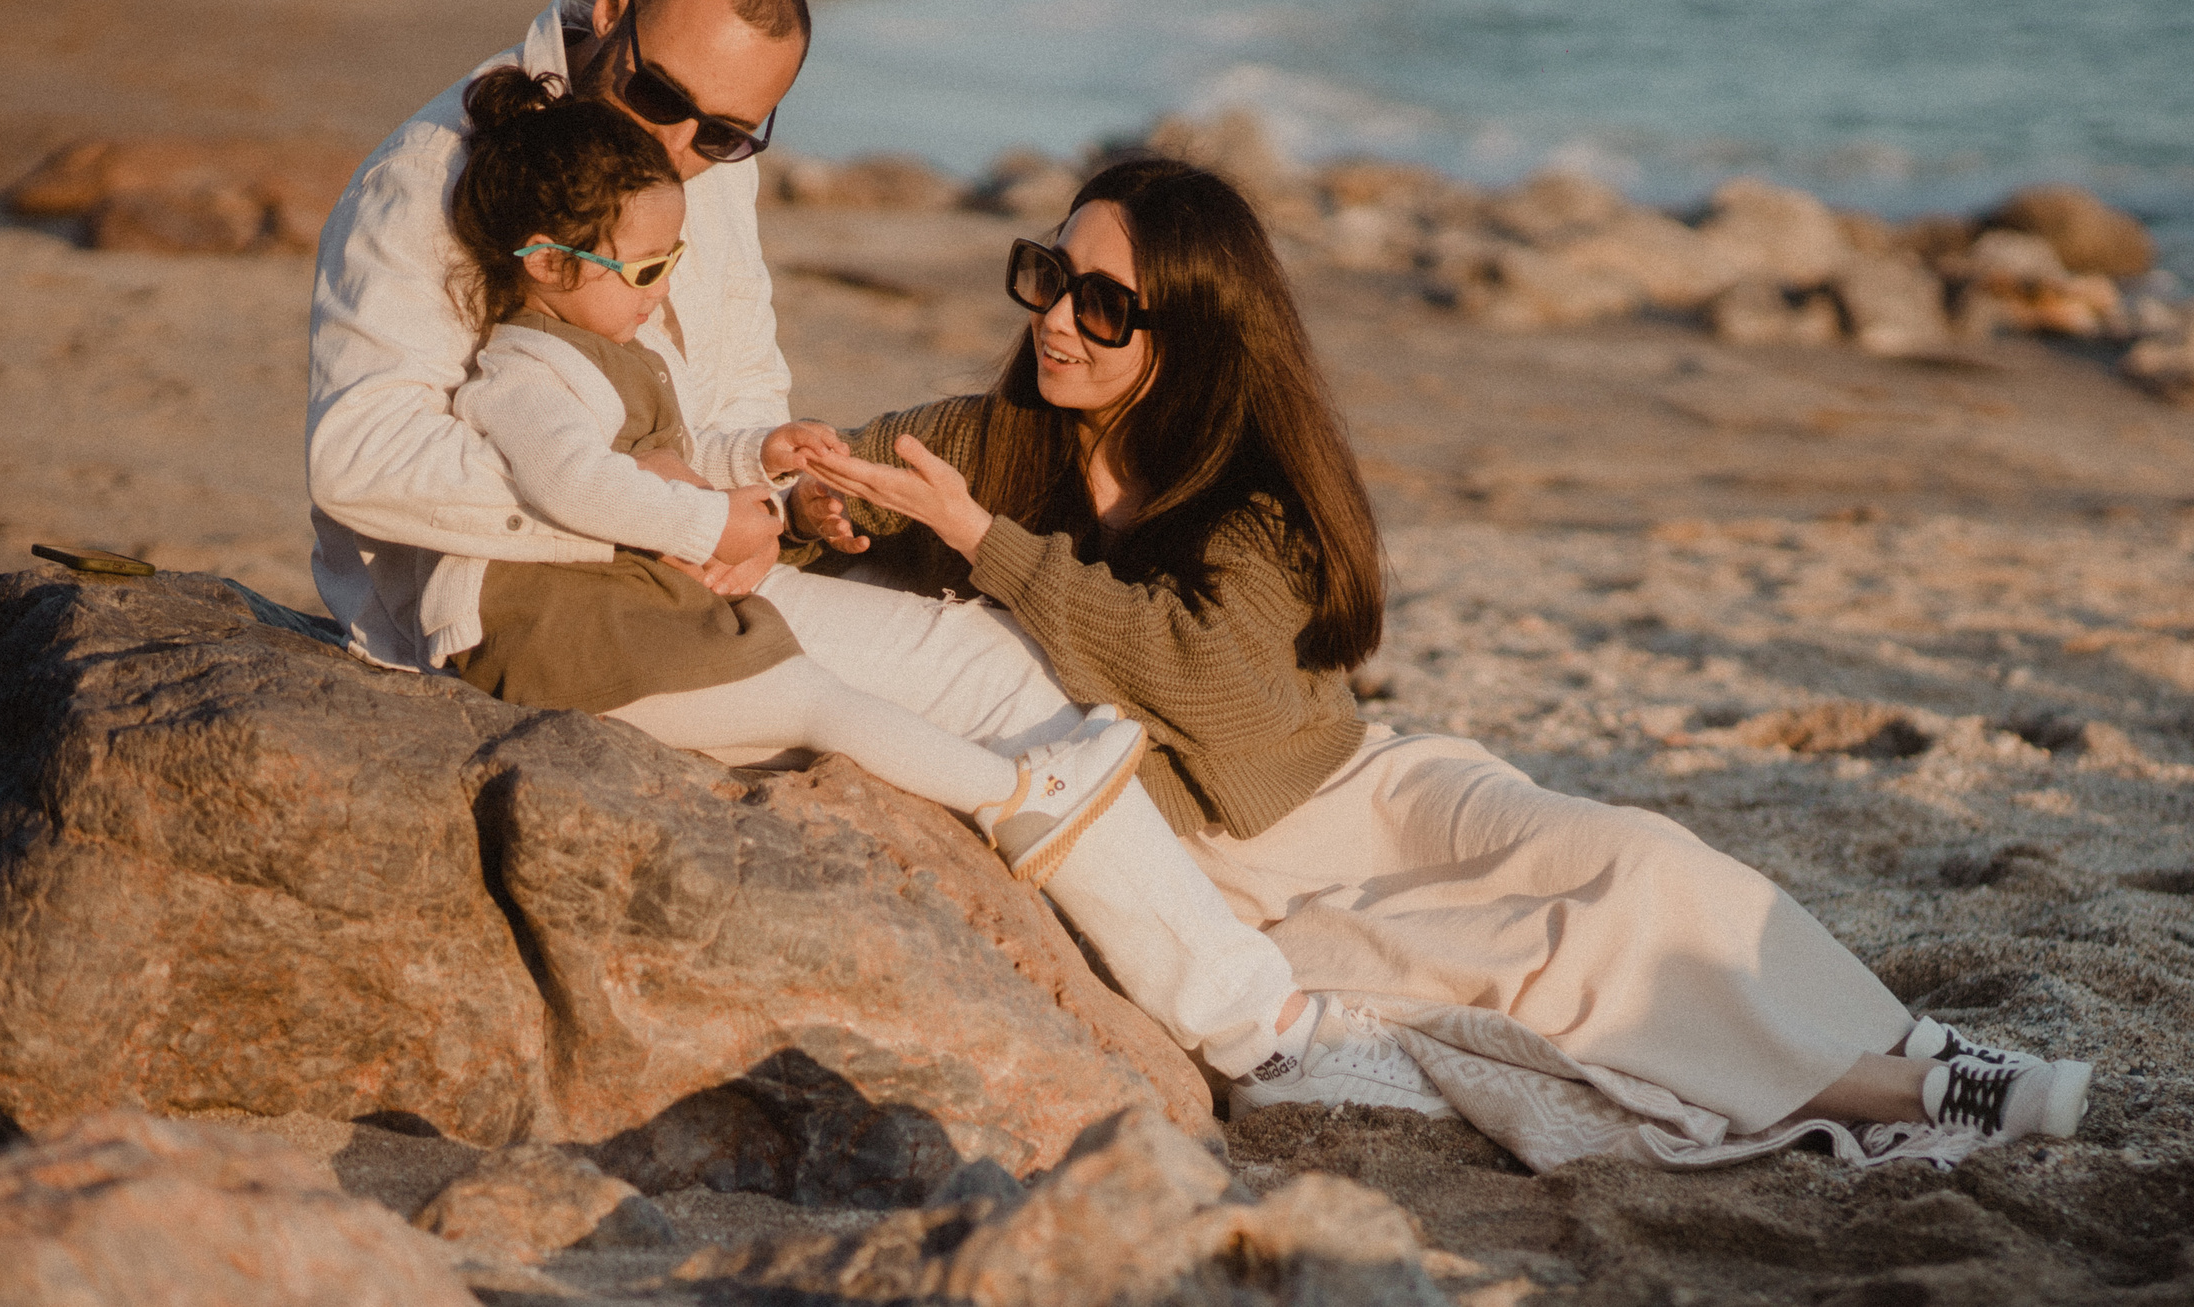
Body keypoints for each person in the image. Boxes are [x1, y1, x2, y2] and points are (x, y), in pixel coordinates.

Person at [304, 0, 1422, 1099]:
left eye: (725, 133)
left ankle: (1199, 959)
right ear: (612, 15)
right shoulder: (438, 171)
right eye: (657, 99)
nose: (677, 150)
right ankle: (1262, 1029)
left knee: (984, 655)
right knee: (995, 689)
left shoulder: (697, 168)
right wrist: (671, 519)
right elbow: (360, 461)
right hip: (511, 608)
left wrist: (783, 492)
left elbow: (727, 400)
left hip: (674, 565)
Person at [797, 157, 2096, 1147]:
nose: (1059, 321)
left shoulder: (1249, 490)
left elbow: (1220, 692)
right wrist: (816, 499)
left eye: (1103, 301)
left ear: (1184, 327)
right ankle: (1918, 1087)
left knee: (1641, 859)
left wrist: (990, 545)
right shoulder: (986, 440)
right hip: (1223, 861)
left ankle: (1908, 1037)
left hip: (1360, 779)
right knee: (1542, 967)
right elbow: (842, 482)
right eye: (1048, 276)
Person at [424, 65, 1144, 882]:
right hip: (572, 648)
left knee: (812, 686)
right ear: (549, 265)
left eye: (673, 264)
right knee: (815, 701)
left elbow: (668, 457)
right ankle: (1015, 798)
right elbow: (579, 482)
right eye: (647, 271)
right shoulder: (525, 372)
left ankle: (1017, 791)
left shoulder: (604, 350)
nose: (659, 299)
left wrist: (758, 458)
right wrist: (711, 523)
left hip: (627, 624)